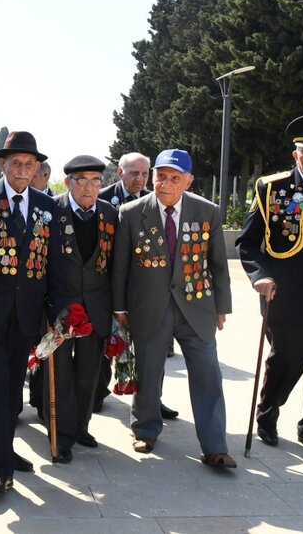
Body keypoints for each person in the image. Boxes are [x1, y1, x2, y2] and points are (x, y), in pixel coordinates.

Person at [111, 149, 236, 468]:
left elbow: (218, 265)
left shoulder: (206, 212)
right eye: (160, 176)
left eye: (174, 178)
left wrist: (222, 306)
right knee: (149, 371)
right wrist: (119, 307)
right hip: (150, 307)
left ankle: (215, 445)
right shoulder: (131, 211)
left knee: (208, 373)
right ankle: (146, 428)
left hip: (197, 307)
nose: (165, 184)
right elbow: (120, 267)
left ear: (189, 181)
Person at [237, 113, 303, 456]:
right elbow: (248, 242)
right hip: (286, 296)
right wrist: (260, 276)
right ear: (294, 154)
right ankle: (267, 419)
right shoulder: (272, 188)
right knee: (286, 361)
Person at [0, 131, 60, 495]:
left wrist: (55, 313)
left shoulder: (47, 205)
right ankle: (0, 469)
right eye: (15, 163)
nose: (22, 170)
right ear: (2, 165)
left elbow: (52, 263)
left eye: (29, 164)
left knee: (12, 392)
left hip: (27, 315)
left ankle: (6, 451)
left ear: (37, 167)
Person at [46, 155, 118, 463]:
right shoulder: (51, 211)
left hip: (96, 307)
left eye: (95, 182)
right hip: (61, 309)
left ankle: (81, 426)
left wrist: (117, 310)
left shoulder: (110, 214)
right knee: (61, 375)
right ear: (69, 183)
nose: (88, 189)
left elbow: (115, 265)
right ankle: (62, 437)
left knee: (89, 374)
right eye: (81, 182)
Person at [96, 153, 178, 418]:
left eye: (144, 174)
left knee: (154, 349)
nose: (139, 179)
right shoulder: (104, 200)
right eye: (134, 173)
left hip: (147, 290)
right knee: (107, 345)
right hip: (109, 286)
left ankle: (153, 399)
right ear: (119, 173)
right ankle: (97, 392)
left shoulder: (158, 202)